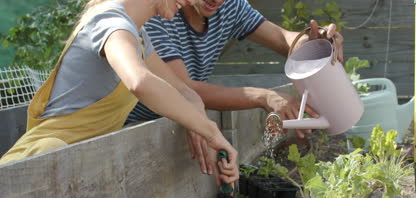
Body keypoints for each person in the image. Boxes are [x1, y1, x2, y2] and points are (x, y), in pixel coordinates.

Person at [0, 0, 239, 185]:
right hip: (41, 162)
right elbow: (140, 81)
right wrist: (211, 131)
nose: (189, 1)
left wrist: (201, 130)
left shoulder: (139, 36)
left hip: (76, 166)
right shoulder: (110, 22)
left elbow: (185, 91)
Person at [126, 0, 344, 176]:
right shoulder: (160, 13)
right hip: (133, 130)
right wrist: (263, 96)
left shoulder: (229, 6)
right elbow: (184, 89)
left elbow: (282, 38)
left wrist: (312, 43)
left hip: (185, 120)